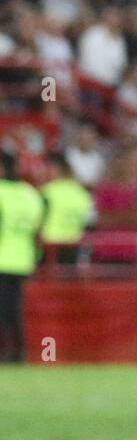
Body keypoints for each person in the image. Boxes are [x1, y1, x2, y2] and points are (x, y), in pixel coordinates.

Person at [0, 153, 45, 362]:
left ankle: (7, 353)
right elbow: (38, 227)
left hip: (2, 257)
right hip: (23, 258)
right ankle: (19, 352)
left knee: (4, 310)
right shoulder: (30, 193)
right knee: (14, 309)